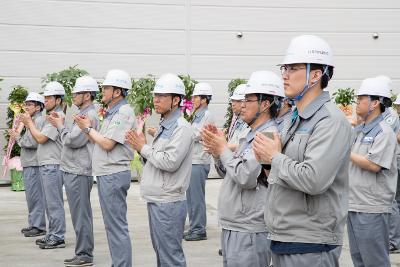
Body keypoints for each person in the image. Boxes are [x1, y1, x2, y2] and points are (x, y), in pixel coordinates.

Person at [253, 35, 352, 267]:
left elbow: (314, 179)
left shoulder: (330, 121)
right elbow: (283, 173)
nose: (284, 75)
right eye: (284, 68)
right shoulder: (295, 118)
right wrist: (267, 163)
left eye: (293, 68)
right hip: (284, 235)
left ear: (316, 75)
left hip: (310, 243)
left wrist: (274, 157)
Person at [201, 70, 283, 267]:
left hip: (249, 229)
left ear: (265, 104)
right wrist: (217, 152)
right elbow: (226, 172)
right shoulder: (250, 133)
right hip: (235, 224)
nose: (242, 105)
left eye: (248, 99)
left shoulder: (269, 135)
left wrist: (222, 148)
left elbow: (246, 177)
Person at [126, 73, 193, 267]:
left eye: (162, 96)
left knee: (170, 256)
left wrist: (143, 147)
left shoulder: (181, 128)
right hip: (158, 199)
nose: (156, 100)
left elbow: (170, 162)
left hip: (169, 202)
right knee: (162, 254)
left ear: (176, 100)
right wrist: (144, 148)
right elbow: (156, 158)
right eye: (155, 95)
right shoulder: (165, 125)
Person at [75, 69, 136, 267]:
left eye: (106, 88)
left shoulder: (124, 112)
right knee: (112, 226)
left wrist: (87, 128)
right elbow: (98, 139)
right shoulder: (112, 111)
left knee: (116, 226)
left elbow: (108, 143)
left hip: (113, 174)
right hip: (107, 174)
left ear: (117, 92)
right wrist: (88, 129)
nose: (102, 91)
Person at [48, 76, 99, 266]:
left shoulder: (89, 115)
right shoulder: (82, 113)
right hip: (73, 168)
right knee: (78, 214)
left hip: (79, 170)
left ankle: (85, 254)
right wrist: (63, 126)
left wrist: (60, 126)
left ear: (87, 95)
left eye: (77, 93)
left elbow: (72, 140)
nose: (74, 96)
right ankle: (82, 251)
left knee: (81, 214)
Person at [347, 76, 398, 267]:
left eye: (361, 98)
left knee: (375, 261)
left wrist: (345, 150)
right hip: (354, 203)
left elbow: (373, 165)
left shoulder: (384, 132)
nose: (357, 102)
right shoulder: (360, 130)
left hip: (371, 207)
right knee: (358, 259)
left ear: (375, 103)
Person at [21, 81, 67, 249]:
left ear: (58, 99)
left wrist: (29, 123)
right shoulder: (50, 116)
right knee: (49, 202)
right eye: (45, 97)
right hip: (46, 164)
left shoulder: (57, 117)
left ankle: (58, 236)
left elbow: (40, 139)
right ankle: (52, 234)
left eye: (49, 98)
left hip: (52, 164)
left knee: (54, 203)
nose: (45, 100)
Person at [10, 92, 46, 238]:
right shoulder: (31, 120)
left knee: (35, 196)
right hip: (30, 163)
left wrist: (17, 137)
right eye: (26, 104)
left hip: (34, 163)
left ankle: (38, 226)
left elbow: (31, 142)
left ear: (38, 107)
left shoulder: (37, 121)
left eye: (30, 104)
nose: (26, 106)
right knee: (31, 196)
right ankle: (34, 224)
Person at [184, 82, 215, 241]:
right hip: (193, 160)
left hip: (199, 160)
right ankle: (194, 227)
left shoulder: (207, 115)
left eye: (196, 96)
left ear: (204, 99)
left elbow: (196, 135)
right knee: (190, 197)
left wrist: (182, 131)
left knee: (196, 198)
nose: (193, 99)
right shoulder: (196, 114)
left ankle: (199, 229)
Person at [227, 84, 249, 152]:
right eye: (233, 100)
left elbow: (243, 146)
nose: (233, 104)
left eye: (238, 101)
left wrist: (222, 147)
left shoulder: (249, 123)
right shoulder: (238, 119)